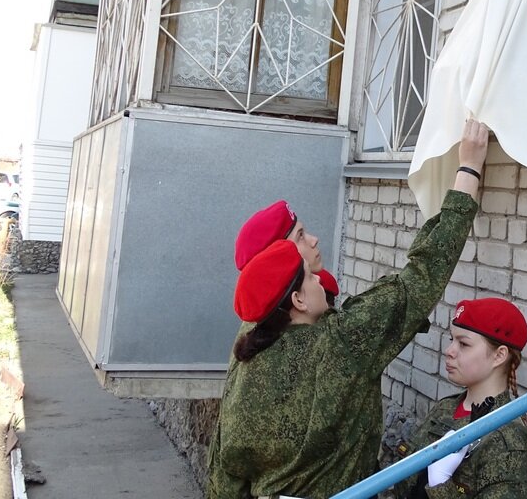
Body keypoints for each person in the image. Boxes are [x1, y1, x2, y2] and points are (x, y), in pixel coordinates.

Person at [206, 119, 490, 499]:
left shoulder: (250, 338)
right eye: (300, 239)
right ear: (297, 300)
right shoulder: (341, 343)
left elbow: (226, 465)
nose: (315, 244)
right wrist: (468, 169)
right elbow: (420, 277)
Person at [394, 297, 527, 499]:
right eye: (452, 340)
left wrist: (441, 485)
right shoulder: (446, 408)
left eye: (464, 344)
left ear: (499, 356)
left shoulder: (508, 444)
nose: (449, 351)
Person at [234, 198, 340, 305]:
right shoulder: (281, 320)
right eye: (300, 236)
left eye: (303, 232)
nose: (314, 240)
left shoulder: (324, 286)